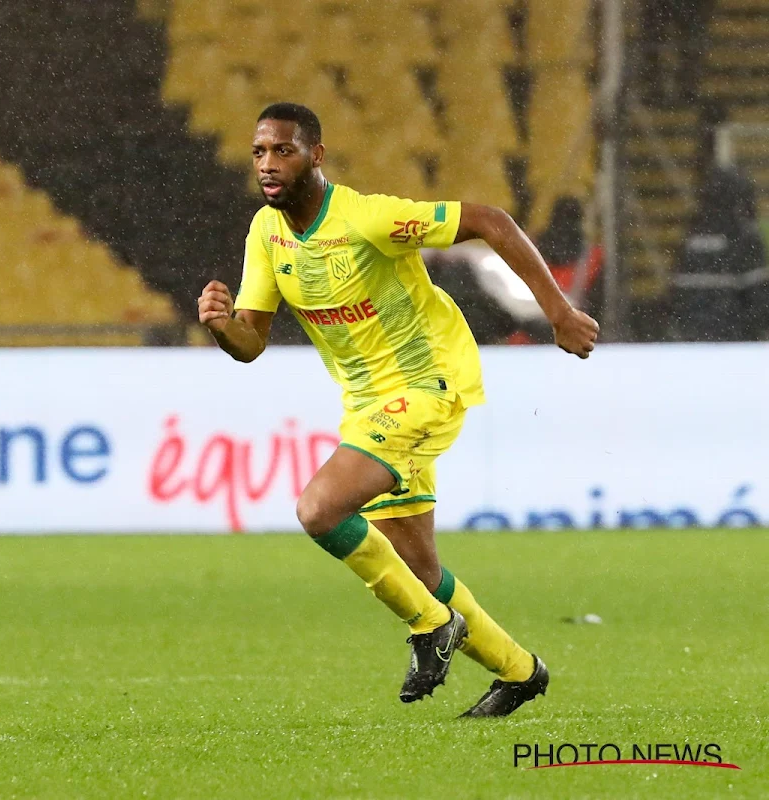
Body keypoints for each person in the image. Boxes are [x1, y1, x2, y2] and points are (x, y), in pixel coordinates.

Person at [197, 103, 598, 717]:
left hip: (428, 385)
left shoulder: (367, 218)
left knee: (319, 508)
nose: (268, 165)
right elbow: (251, 342)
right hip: (366, 405)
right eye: (259, 152)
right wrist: (223, 327)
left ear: (316, 156)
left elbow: (492, 221)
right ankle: (520, 672)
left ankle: (430, 628)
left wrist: (560, 313)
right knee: (417, 564)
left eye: (283, 150)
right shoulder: (266, 233)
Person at [672, 167, 768, 341]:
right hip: (733, 338)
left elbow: (678, 290)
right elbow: (758, 296)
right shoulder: (743, 234)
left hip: (693, 336)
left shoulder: (693, 232)